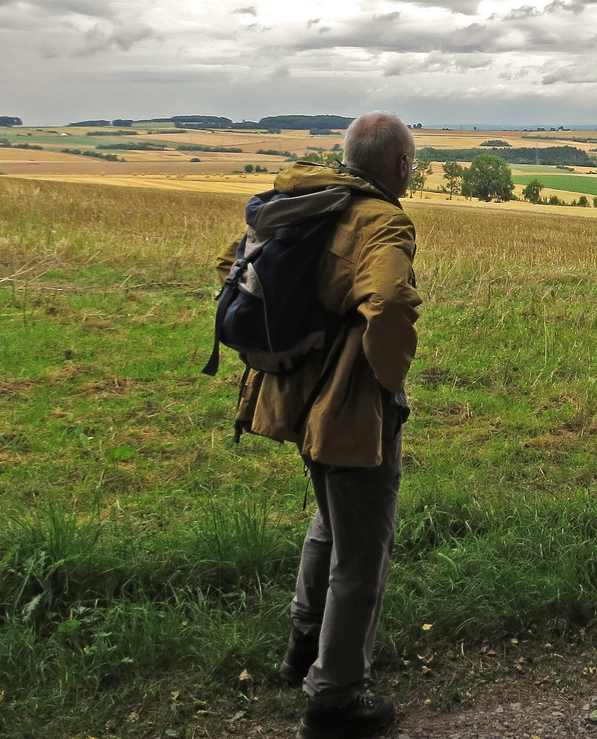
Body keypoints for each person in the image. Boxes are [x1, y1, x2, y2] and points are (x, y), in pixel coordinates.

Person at [216, 112, 421, 739]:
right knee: (363, 548)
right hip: (348, 402)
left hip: (292, 392)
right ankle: (334, 701)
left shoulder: (304, 201)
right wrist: (388, 380)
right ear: (398, 167)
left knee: (330, 521)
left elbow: (229, 264)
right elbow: (385, 303)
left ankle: (303, 650)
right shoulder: (382, 220)